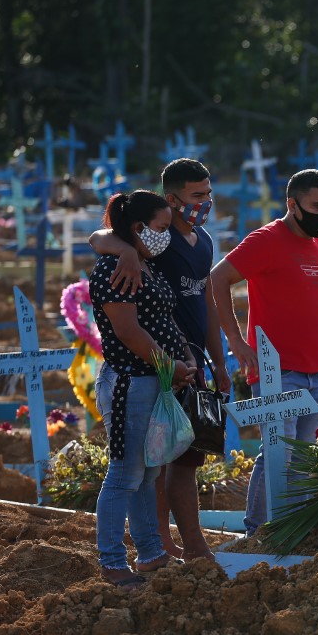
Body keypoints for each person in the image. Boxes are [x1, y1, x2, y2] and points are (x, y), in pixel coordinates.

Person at [89, 158, 231, 561]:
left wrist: (214, 361)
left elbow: (205, 301)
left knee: (177, 458)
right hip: (147, 370)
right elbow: (101, 237)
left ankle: (166, 547)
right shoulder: (146, 248)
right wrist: (125, 252)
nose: (206, 202)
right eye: (197, 195)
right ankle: (157, 547)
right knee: (144, 468)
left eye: (208, 193)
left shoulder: (199, 241)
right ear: (172, 199)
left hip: (184, 366)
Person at [211, 169, 318, 536]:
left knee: (302, 458)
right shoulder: (266, 240)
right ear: (292, 204)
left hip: (314, 371)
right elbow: (218, 279)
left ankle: (292, 532)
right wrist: (236, 341)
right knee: (277, 455)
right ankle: (258, 535)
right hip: (275, 371)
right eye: (317, 205)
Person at [89, 190, 198, 591]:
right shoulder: (111, 270)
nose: (165, 236)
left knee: (149, 472)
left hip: (158, 379)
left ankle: (151, 552)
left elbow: (165, 320)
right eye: (161, 228)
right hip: (131, 381)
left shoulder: (144, 265)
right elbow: (128, 331)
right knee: (124, 473)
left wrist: (184, 359)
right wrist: (172, 365)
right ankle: (113, 562)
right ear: (138, 228)